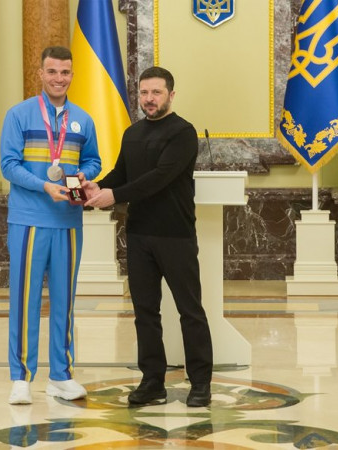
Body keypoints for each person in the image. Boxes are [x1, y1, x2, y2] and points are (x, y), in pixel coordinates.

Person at [82, 66, 213, 407]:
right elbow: (122, 173)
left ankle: (201, 383)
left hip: (176, 236)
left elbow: (159, 178)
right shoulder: (132, 133)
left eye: (156, 92)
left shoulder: (183, 133)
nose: (149, 99)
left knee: (190, 310)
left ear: (171, 95)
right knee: (145, 312)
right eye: (144, 92)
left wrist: (114, 195)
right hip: (139, 235)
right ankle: (152, 381)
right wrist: (98, 186)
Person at [0, 46, 102, 405]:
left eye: (65, 72)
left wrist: (84, 175)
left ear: (72, 75)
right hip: (28, 220)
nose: (59, 78)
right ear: (40, 73)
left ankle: (61, 375)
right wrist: (44, 185)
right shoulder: (19, 115)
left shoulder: (83, 119)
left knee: (64, 300)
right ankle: (21, 377)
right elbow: (9, 165)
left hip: (68, 222)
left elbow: (94, 160)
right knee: (25, 300)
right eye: (53, 71)